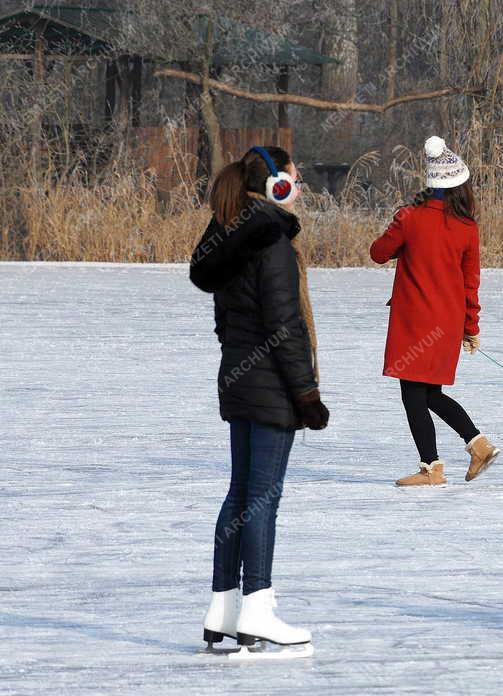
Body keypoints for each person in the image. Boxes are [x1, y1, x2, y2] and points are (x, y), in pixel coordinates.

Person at [190, 146, 329, 653]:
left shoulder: (232, 235)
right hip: (270, 384)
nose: (300, 185)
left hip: (239, 378)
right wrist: (306, 394)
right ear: (278, 185)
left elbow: (226, 321)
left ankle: (223, 604)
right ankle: (258, 608)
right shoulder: (270, 239)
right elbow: (285, 325)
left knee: (241, 493)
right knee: (262, 498)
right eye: (296, 176)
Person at [370, 136, 500, 486]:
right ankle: (478, 445)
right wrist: (470, 328)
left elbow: (379, 252)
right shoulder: (468, 228)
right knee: (429, 393)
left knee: (414, 394)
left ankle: (432, 468)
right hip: (447, 323)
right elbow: (470, 283)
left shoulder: (409, 218)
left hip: (415, 321)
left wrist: (402, 236)